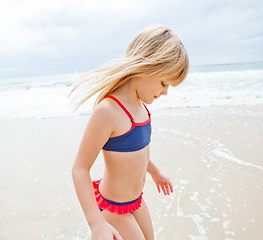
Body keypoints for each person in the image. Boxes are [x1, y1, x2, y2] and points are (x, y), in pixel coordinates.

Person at [70, 25, 189, 240]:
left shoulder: (142, 106)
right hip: (113, 209)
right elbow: (80, 168)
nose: (165, 92)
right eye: (164, 83)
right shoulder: (109, 111)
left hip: (136, 201)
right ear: (145, 67)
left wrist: (155, 171)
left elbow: (137, 151)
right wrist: (96, 224)